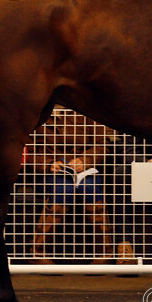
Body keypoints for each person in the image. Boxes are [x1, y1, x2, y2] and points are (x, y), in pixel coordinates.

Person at [28, 109, 120, 265]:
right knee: (64, 188)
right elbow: (28, 152)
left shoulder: (87, 111)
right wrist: (49, 164)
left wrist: (84, 160)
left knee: (89, 187)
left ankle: (105, 252)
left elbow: (103, 146)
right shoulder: (37, 113)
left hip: (85, 171)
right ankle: (38, 251)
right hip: (48, 173)